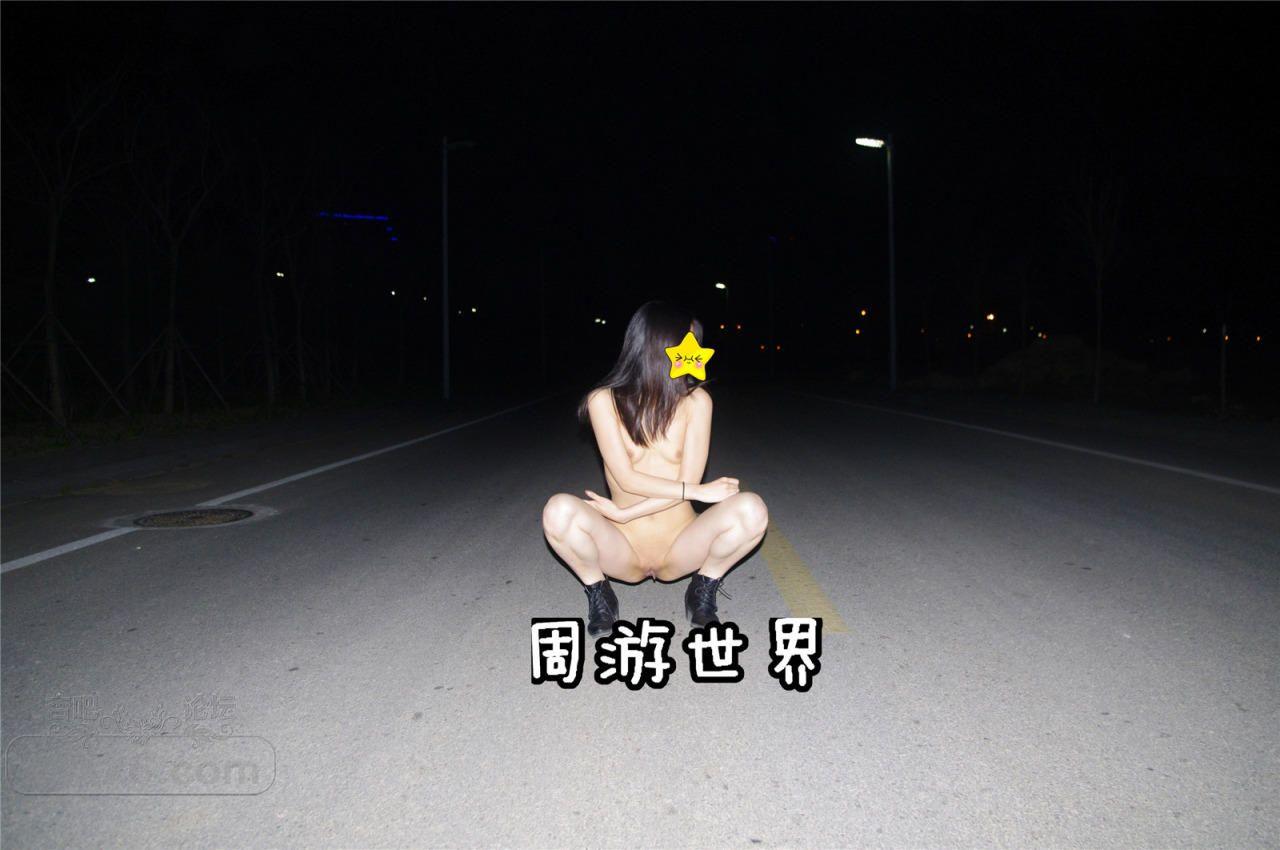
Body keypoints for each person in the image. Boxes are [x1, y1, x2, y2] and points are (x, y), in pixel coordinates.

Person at [541, 301, 769, 636]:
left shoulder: (697, 402)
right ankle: (599, 592)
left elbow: (688, 480)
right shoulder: (603, 401)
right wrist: (696, 492)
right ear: (659, 345)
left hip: (680, 543)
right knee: (557, 511)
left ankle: (703, 587)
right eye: (688, 343)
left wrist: (627, 512)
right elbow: (627, 479)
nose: (695, 352)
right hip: (622, 545)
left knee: (752, 510)